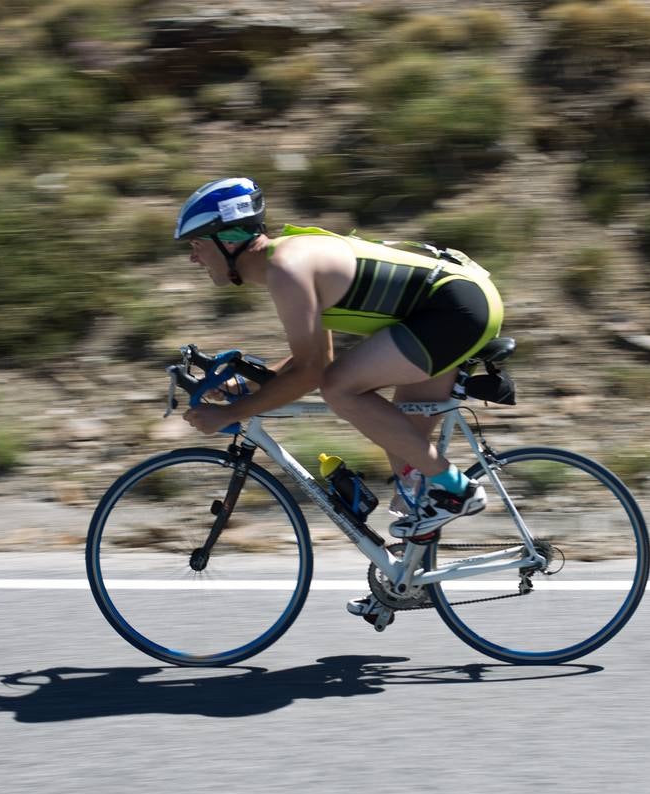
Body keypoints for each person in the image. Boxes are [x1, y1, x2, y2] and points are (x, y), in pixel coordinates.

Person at [176, 176, 504, 542]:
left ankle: (458, 489)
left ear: (227, 239)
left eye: (196, 244)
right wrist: (247, 384)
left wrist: (232, 414)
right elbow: (314, 356)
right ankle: (406, 586)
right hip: (447, 310)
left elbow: (314, 372)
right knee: (411, 477)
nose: (192, 257)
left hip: (453, 309)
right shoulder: (287, 262)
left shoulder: (288, 268)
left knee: (339, 389)